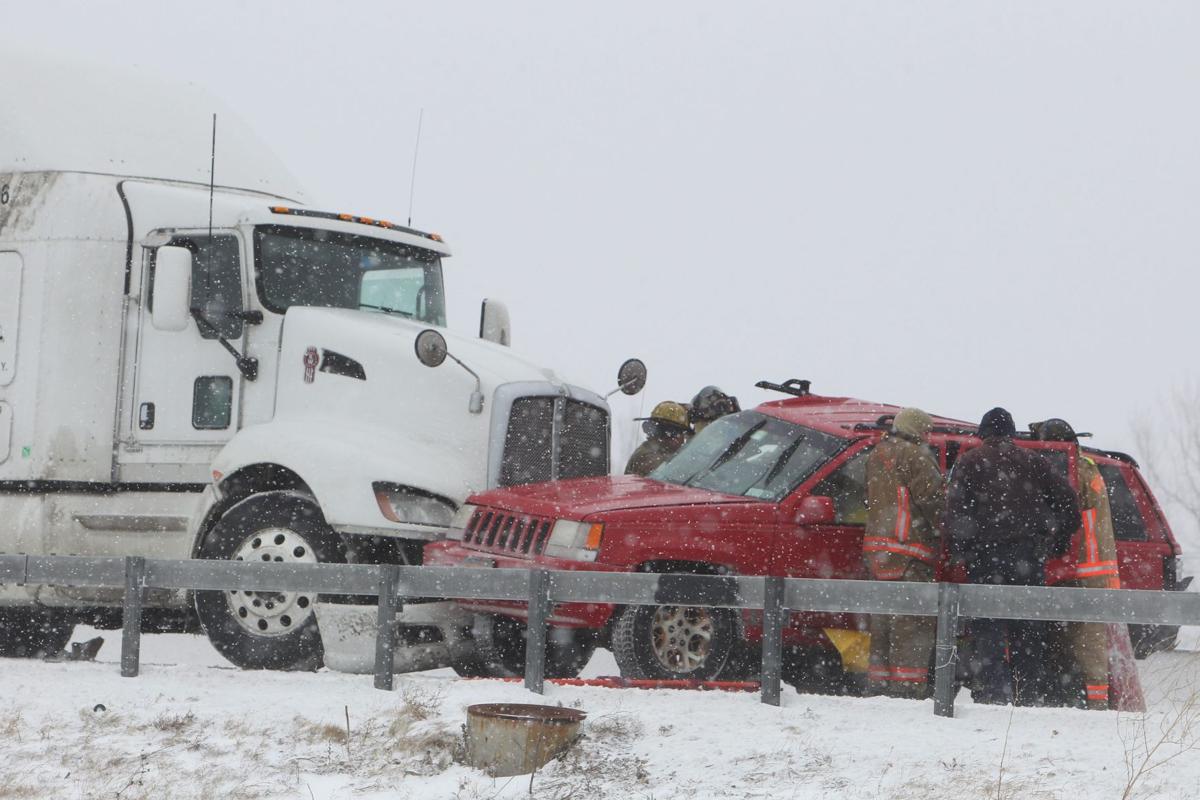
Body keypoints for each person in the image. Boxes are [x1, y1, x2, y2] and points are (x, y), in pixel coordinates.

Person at [947, 407, 1080, 706]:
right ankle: (1028, 694)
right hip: (1027, 558)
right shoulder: (1034, 462)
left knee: (987, 628)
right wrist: (1056, 541)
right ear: (1011, 434)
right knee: (1028, 628)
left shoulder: (970, 462)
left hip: (985, 558)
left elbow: (955, 512)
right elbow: (1069, 501)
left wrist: (960, 550)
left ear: (983, 434)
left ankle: (995, 694)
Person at [1033, 417, 1120, 710]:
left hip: (1086, 568)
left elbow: (1060, 506)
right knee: (1085, 640)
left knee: (1088, 641)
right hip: (1092, 567)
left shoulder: (1076, 468)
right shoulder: (1086, 465)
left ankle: (1096, 705)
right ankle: (1088, 699)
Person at [863, 408, 946, 698]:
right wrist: (950, 528)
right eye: (926, 432)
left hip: (877, 552)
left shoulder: (877, 454)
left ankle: (878, 688)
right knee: (912, 627)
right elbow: (934, 500)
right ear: (917, 431)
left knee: (882, 626)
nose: (928, 437)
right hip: (910, 552)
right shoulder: (916, 456)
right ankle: (908, 691)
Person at [624, 401, 692, 476]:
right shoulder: (650, 458)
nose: (682, 439)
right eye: (675, 432)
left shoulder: (666, 454)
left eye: (683, 433)